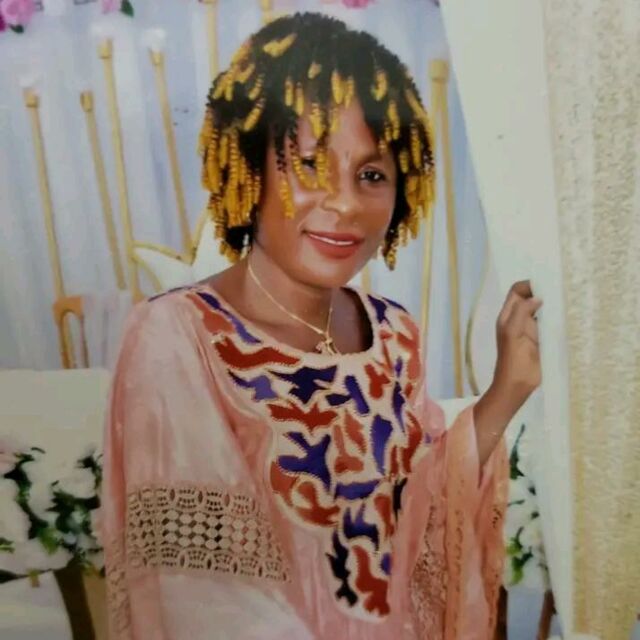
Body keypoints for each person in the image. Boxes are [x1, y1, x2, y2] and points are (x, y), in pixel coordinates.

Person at [101, 12, 542, 640]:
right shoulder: (174, 337)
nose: (345, 203)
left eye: (372, 175)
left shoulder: (393, 333)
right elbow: (195, 592)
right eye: (309, 166)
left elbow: (420, 519)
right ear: (248, 169)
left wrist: (506, 391)